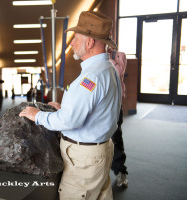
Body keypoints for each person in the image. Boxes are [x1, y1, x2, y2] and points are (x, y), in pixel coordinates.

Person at [19, 11, 122, 200]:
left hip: (84, 159)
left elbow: (69, 121)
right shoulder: (109, 70)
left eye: (75, 38)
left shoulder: (91, 77)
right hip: (100, 151)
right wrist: (64, 109)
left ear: (89, 42)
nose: (72, 43)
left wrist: (37, 115)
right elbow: (99, 110)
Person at [108, 49, 129, 187]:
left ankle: (121, 172)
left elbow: (118, 71)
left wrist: (106, 57)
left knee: (116, 139)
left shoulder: (119, 55)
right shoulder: (93, 56)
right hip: (99, 106)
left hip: (114, 105)